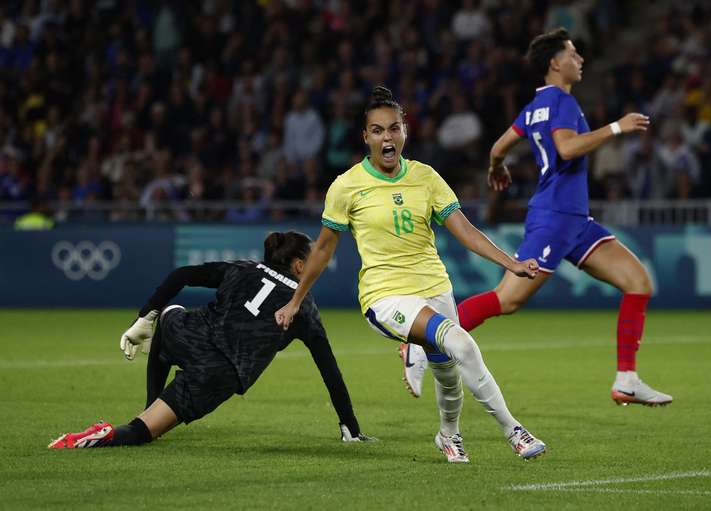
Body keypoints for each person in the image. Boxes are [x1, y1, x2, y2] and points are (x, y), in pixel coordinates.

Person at [274, 86, 546, 463]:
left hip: (434, 286)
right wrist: (295, 300)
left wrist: (510, 263)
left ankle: (448, 435)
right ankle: (513, 430)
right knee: (462, 343)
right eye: (378, 130)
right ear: (365, 137)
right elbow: (322, 249)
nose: (387, 137)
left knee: (449, 372)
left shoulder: (426, 177)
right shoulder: (347, 186)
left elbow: (464, 230)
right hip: (385, 296)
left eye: (394, 128)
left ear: (405, 131)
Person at [403, 28, 673, 407]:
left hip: (575, 221)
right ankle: (421, 344)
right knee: (506, 300)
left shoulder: (535, 108)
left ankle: (627, 379)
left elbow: (499, 146)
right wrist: (616, 127)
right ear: (555, 63)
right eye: (573, 54)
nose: (580, 60)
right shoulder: (562, 103)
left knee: (638, 282)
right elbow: (565, 148)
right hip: (555, 218)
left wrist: (497, 166)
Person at [49, 231, 373, 448]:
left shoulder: (244, 268)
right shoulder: (301, 305)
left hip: (190, 334)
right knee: (140, 431)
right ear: (300, 265)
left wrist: (144, 316)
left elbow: (181, 275)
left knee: (170, 313)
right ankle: (111, 433)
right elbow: (328, 368)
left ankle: (150, 403)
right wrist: (350, 426)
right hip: (219, 372)